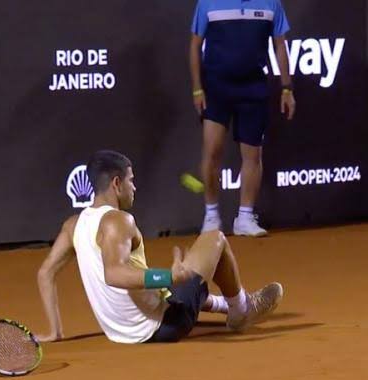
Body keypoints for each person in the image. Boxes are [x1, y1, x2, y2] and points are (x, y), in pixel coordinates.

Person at [36, 150, 283, 344]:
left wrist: (55, 330)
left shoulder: (73, 225)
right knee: (214, 239)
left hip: (119, 332)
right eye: (131, 181)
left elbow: (45, 273)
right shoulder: (119, 220)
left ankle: (223, 305)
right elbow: (114, 274)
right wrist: (167, 276)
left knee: (172, 282)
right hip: (161, 326)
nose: (134, 187)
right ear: (116, 183)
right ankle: (242, 309)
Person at [189, 0, 296, 237]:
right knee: (212, 151)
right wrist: (198, 88)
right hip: (216, 88)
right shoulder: (208, 3)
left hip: (254, 88)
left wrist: (287, 87)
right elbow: (195, 45)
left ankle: (245, 217)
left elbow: (280, 45)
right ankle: (211, 215)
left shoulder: (271, 4)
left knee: (253, 154)